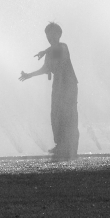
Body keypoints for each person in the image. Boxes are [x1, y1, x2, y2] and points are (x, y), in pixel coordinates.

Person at [19, 22, 79, 159]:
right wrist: (29, 75)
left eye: (51, 35)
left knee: (69, 115)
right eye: (47, 36)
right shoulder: (50, 51)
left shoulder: (62, 47)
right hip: (58, 84)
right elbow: (45, 68)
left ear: (58, 34)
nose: (49, 38)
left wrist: (45, 51)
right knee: (55, 115)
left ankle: (71, 147)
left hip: (68, 84)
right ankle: (60, 145)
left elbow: (58, 49)